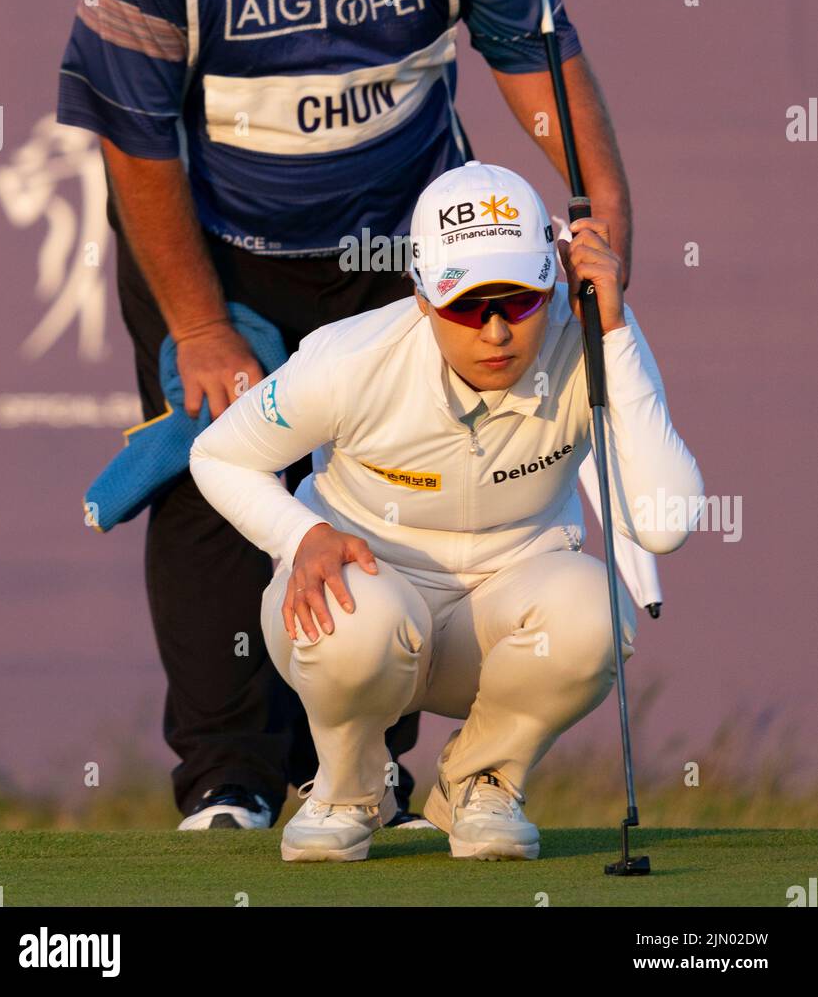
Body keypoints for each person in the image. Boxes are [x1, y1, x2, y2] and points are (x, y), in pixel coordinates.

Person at [55, 0, 633, 832]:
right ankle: (229, 780)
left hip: (407, 241)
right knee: (214, 475)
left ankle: (369, 767)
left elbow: (531, 54)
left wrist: (602, 202)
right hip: (218, 242)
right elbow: (134, 142)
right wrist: (203, 324)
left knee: (400, 482)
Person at [189, 161, 703, 862]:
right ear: (423, 296)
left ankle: (481, 785)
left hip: (496, 626)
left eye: (517, 301)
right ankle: (346, 788)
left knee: (592, 612)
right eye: (466, 305)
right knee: (351, 619)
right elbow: (218, 455)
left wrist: (614, 329)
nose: (494, 332)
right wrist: (300, 533)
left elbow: (665, 520)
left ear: (553, 281)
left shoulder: (586, 338)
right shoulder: (351, 359)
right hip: (367, 613)